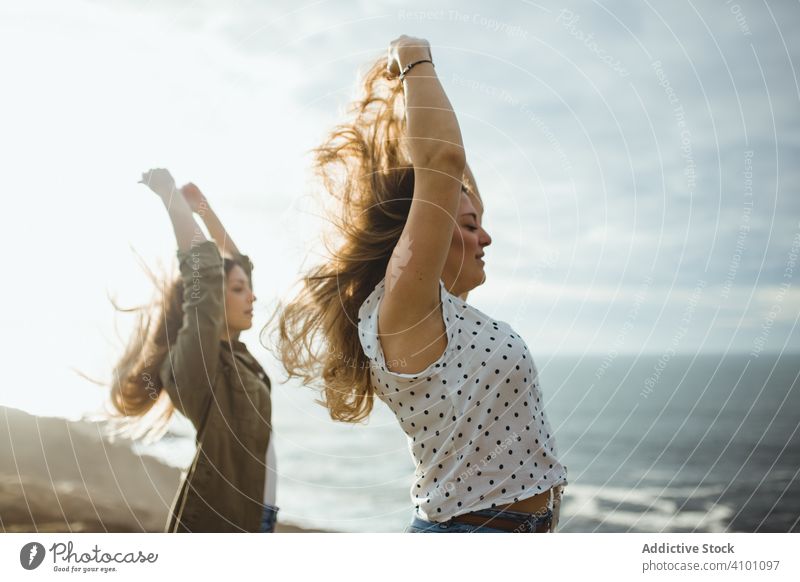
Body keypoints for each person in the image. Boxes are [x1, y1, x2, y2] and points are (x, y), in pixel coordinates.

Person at [273, 36, 567, 533]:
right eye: (470, 226)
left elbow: (454, 178)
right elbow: (443, 167)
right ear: (423, 235)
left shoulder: (439, 311)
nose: (486, 236)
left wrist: (401, 101)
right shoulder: (405, 309)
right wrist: (412, 57)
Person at [110, 168, 277, 532]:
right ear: (212, 299)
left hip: (257, 520)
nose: (252, 296)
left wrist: (202, 207)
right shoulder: (195, 365)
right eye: (237, 290)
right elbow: (207, 269)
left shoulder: (234, 354)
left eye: (247, 288)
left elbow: (237, 262)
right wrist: (170, 197)